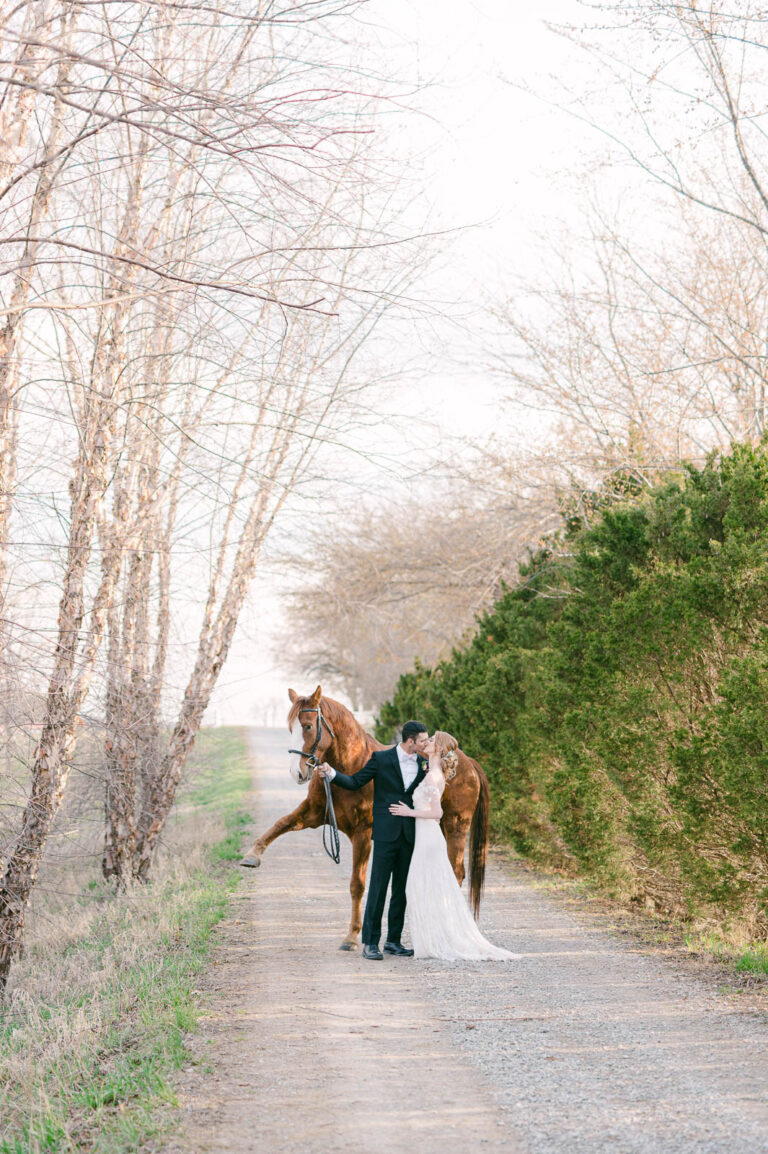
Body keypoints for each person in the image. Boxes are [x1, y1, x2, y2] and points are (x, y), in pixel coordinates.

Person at [390, 731, 520, 961]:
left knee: (424, 885)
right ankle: (433, 939)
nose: (425, 742)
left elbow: (437, 813)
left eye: (430, 741)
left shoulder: (435, 776)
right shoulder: (430, 771)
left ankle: (439, 938)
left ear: (438, 748)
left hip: (428, 838)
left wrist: (408, 812)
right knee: (425, 886)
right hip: (425, 836)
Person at [318, 721, 429, 960]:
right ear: (410, 741)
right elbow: (356, 781)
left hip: (410, 834)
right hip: (385, 834)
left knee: (401, 890)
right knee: (378, 888)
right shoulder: (381, 759)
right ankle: (370, 942)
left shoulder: (423, 763)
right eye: (423, 741)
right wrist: (332, 774)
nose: (425, 744)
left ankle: (394, 941)